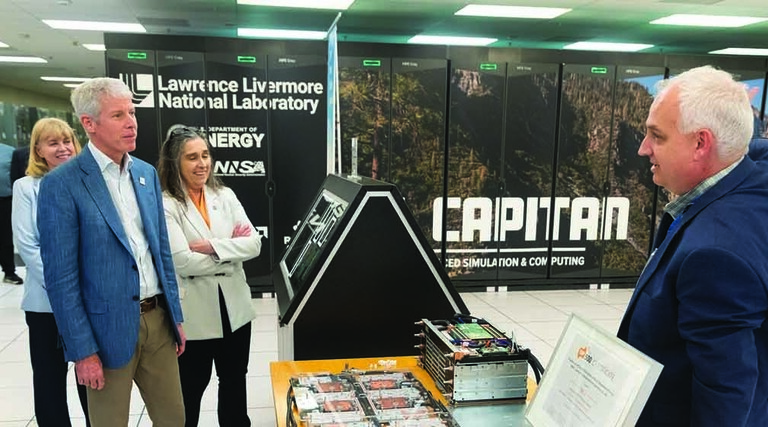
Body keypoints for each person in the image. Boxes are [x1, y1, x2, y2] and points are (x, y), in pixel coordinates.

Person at [618, 66, 768, 426]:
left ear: (701, 143)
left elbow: (725, 390)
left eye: (657, 136)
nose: (643, 148)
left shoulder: (714, 254)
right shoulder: (751, 176)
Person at [37, 77, 186, 427]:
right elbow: (61, 279)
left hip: (158, 321)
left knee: (174, 419)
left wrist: (176, 316)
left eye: (132, 112)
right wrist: (82, 351)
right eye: (118, 115)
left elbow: (161, 252)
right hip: (104, 332)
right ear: (89, 123)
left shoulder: (145, 174)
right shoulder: (62, 184)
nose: (131, 122)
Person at [158, 125, 260, 427]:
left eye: (205, 155)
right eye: (192, 157)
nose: (202, 163)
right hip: (195, 315)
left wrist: (213, 247)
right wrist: (230, 255)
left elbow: (254, 244)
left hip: (235, 310)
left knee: (234, 382)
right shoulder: (166, 204)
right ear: (175, 162)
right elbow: (183, 261)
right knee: (190, 389)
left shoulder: (224, 195)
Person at [11, 118, 90, 426]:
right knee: (49, 379)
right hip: (46, 305)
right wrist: (64, 289)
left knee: (92, 377)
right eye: (53, 143)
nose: (63, 148)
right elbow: (28, 245)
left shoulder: (88, 183)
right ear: (38, 150)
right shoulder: (26, 188)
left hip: (88, 300)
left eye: (67, 141)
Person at [0, 142, 22, 285]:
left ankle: (9, 272)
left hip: (5, 200)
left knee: (5, 238)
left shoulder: (10, 151)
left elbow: (17, 174)